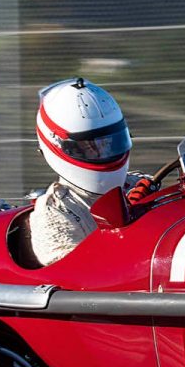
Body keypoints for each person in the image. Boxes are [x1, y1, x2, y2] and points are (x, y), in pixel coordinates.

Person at [30, 77, 132, 265]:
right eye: (88, 146)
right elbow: (76, 275)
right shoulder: (55, 212)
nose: (101, 151)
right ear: (58, 147)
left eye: (108, 142)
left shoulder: (140, 184)